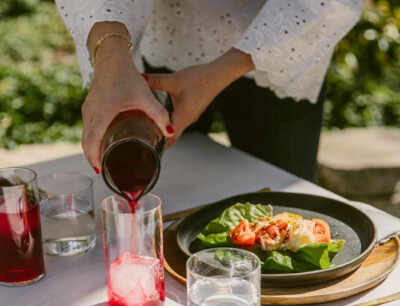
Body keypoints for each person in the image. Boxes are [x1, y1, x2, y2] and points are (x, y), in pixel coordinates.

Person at [55, 0, 363, 181]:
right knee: (175, 204)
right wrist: (110, 54)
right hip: (167, 52)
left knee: (285, 213)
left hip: (281, 53)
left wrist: (222, 71)